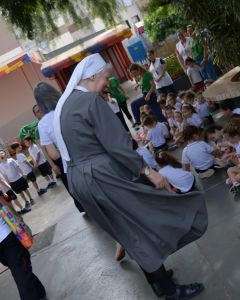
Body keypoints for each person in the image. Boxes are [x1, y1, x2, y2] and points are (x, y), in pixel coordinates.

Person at [54, 53, 207, 300]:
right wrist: (148, 171)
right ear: (92, 76)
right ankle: (170, 290)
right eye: (105, 77)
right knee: (139, 229)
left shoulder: (66, 104)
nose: (108, 83)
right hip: (102, 177)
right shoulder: (91, 102)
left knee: (125, 231)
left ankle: (156, 280)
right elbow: (117, 145)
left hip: (80, 181)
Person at [33, 83, 85, 214]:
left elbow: (53, 154)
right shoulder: (71, 105)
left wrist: (59, 149)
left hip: (71, 162)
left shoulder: (43, 124)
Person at [0, 189, 46, 300]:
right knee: (21, 273)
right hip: (5, 235)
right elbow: (4, 204)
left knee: (20, 270)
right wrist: (18, 217)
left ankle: (40, 291)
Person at [129, 63, 167, 127]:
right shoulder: (142, 75)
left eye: (134, 72)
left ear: (138, 68)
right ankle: (167, 125)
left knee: (133, 104)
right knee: (157, 114)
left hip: (150, 95)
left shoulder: (146, 74)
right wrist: (138, 85)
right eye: (133, 74)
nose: (134, 74)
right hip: (149, 95)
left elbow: (153, 85)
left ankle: (138, 121)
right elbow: (145, 83)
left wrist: (148, 94)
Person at [220, 118, 240, 194]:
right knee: (230, 170)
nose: (227, 141)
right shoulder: (235, 141)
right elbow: (228, 144)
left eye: (228, 139)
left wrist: (237, 155)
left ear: (235, 137)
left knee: (237, 177)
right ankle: (236, 184)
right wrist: (218, 146)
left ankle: (237, 181)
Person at [32, 104, 61, 180]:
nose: (40, 111)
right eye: (38, 111)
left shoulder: (53, 118)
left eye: (41, 108)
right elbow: (43, 150)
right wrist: (53, 165)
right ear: (36, 116)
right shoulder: (38, 129)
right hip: (57, 158)